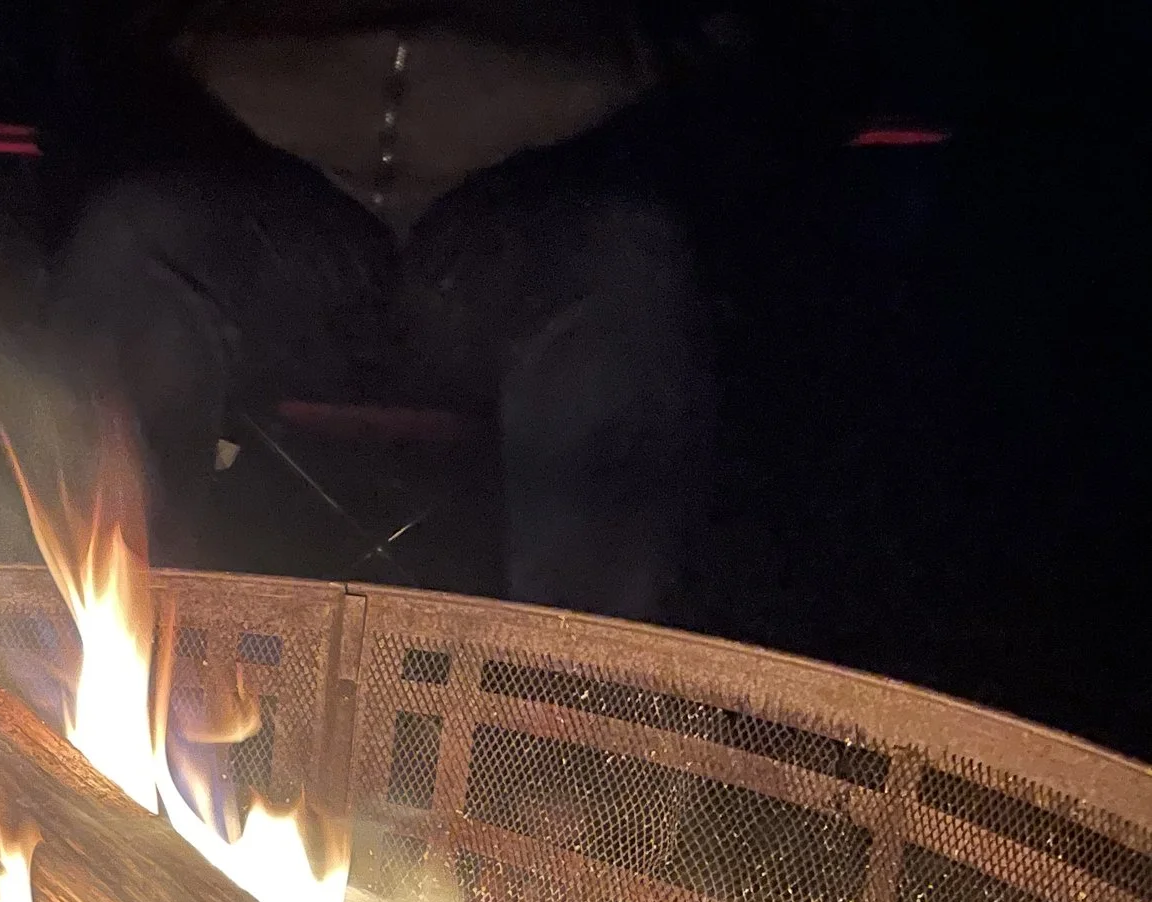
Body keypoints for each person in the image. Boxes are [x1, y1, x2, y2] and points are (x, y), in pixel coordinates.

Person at [52, 1, 734, 619]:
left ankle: (574, 686)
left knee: (630, 266)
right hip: (288, 223)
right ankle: (107, 648)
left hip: (515, 229)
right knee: (132, 235)